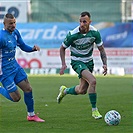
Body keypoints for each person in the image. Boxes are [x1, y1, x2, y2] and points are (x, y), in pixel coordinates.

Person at [57, 11, 107, 119]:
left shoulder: (95, 33)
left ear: (90, 22)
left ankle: (64, 91)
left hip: (89, 62)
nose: (82, 24)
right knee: (93, 81)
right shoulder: (73, 34)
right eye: (80, 21)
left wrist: (105, 64)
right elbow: (62, 48)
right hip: (77, 62)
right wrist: (63, 64)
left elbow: (101, 49)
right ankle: (95, 111)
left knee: (82, 90)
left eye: (84, 21)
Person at [0, 13, 45, 122]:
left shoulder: (15, 33)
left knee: (28, 89)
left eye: (14, 22)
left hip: (15, 66)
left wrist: (32, 49)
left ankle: (31, 115)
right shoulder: (1, 37)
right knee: (16, 98)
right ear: (4, 23)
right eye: (10, 23)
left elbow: (23, 46)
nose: (13, 25)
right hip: (4, 71)